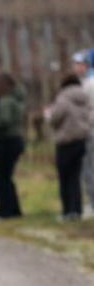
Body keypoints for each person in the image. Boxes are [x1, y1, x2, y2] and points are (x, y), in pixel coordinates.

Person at [45, 74, 93, 221]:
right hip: (81, 140)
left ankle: (67, 211)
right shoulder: (85, 98)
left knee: (64, 177)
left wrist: (48, 114)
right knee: (75, 177)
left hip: (65, 141)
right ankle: (76, 210)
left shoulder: (63, 98)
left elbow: (55, 118)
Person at [0, 72, 26, 218]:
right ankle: (15, 210)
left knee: (3, 178)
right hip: (15, 140)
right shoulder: (16, 99)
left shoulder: (5, 101)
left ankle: (5, 211)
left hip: (7, 141)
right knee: (7, 177)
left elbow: (4, 120)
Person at [72, 51, 94, 209]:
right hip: (86, 131)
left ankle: (92, 204)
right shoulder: (85, 83)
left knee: (89, 169)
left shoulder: (89, 84)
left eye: (79, 64)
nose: (76, 67)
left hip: (89, 132)